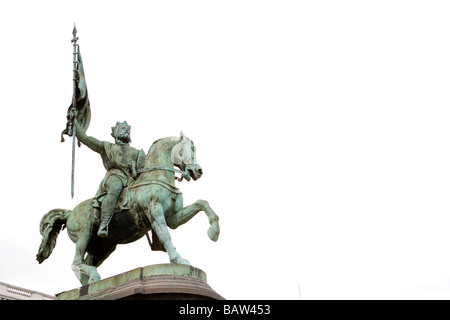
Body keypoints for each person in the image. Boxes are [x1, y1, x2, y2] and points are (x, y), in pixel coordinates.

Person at [70, 109, 145, 237]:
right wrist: (75, 121)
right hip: (115, 176)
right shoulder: (106, 147)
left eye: (128, 129)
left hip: (132, 180)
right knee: (115, 187)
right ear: (115, 133)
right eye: (122, 128)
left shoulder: (138, 152)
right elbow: (85, 138)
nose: (126, 131)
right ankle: (104, 223)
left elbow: (146, 169)